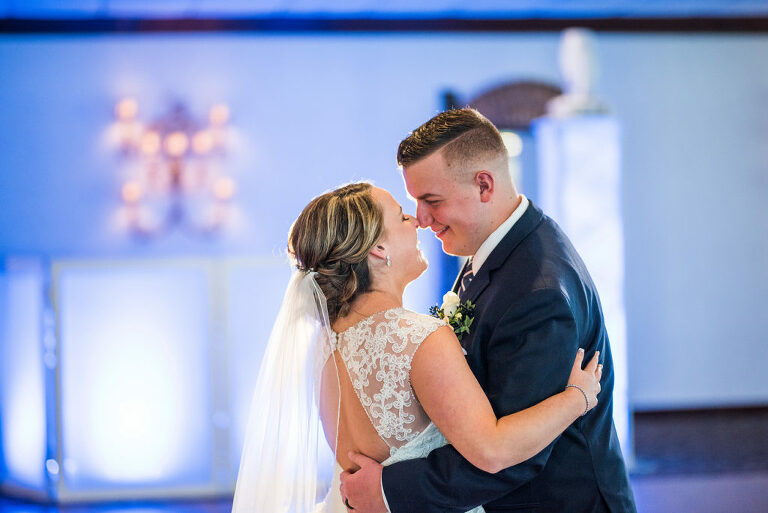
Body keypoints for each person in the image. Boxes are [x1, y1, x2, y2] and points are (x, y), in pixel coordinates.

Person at [231, 182, 602, 513]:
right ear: (378, 249)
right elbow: (493, 451)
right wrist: (578, 398)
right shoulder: (417, 338)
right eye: (401, 216)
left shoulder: (326, 345)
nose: (417, 222)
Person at [340, 109, 637, 512]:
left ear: (484, 185)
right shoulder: (500, 246)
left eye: (431, 201)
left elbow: (514, 458)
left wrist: (389, 490)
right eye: (415, 203)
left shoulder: (539, 294)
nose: (421, 220)